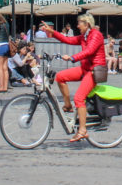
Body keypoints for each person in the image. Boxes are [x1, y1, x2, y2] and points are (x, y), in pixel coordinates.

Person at [42, 13, 106, 142]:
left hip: (94, 70)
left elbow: (89, 51)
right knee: (60, 77)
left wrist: (72, 58)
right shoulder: (84, 36)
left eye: (79, 24)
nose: (77, 26)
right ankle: (68, 105)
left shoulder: (96, 35)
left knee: (79, 98)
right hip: (85, 68)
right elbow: (69, 40)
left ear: (87, 24)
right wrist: (53, 32)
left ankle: (82, 130)